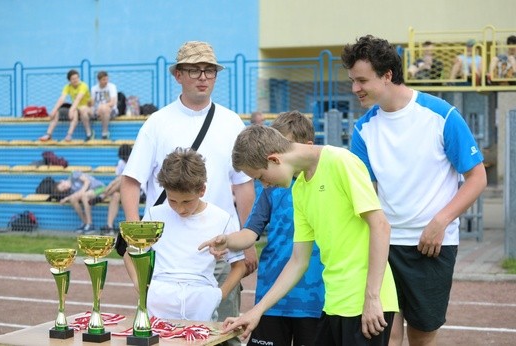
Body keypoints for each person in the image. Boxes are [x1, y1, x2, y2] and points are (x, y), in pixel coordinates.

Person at [340, 35, 487, 346]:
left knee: (421, 337)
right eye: (353, 80)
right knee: (386, 334)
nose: (355, 89)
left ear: (388, 75)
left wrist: (440, 221)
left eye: (362, 80)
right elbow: (362, 191)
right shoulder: (363, 129)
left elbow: (477, 178)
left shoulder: (441, 115)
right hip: (385, 246)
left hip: (432, 245)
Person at [119, 41, 257, 343]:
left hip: (219, 249)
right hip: (166, 253)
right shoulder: (157, 122)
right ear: (178, 75)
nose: (203, 77)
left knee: (225, 334)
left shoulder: (232, 122)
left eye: (209, 70)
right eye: (194, 70)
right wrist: (137, 239)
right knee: (162, 333)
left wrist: (247, 240)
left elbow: (244, 186)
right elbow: (131, 182)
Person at [218, 125, 398, 345]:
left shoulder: (341, 161)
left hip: (364, 303)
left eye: (261, 177)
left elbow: (380, 226)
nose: (264, 184)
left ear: (274, 159)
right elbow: (297, 261)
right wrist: (255, 312)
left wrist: (372, 297)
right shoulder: (299, 189)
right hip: (333, 304)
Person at [199, 110, 325, 346]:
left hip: (316, 298)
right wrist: (227, 241)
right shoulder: (269, 188)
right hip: (271, 297)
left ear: (306, 146)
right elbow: (250, 232)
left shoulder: (325, 183)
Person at [129, 147, 246, 321]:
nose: (180, 208)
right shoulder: (154, 215)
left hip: (201, 302)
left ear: (202, 190)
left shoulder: (221, 219)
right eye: (172, 200)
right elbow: (130, 252)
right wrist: (140, 286)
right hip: (159, 301)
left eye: (187, 201)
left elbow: (239, 265)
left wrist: (218, 295)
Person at [39, 69, 94, 142]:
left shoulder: (83, 85)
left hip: (88, 109)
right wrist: (54, 110)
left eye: (77, 78)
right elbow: (62, 99)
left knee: (77, 110)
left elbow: (78, 99)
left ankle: (81, 134)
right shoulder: (67, 87)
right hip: (77, 108)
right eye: (73, 79)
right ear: (69, 80)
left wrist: (71, 110)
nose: (75, 80)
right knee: (57, 112)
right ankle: (48, 134)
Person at [100, 144, 132, 235]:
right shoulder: (121, 162)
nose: (125, 160)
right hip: (121, 189)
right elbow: (117, 179)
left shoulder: (135, 161)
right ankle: (109, 227)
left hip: (136, 191)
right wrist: (110, 185)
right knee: (115, 195)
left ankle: (103, 195)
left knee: (122, 179)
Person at [90, 71, 118, 139]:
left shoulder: (112, 87)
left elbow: (112, 103)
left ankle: (104, 133)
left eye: (107, 79)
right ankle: (89, 133)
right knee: (84, 110)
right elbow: (92, 103)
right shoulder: (94, 89)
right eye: (104, 80)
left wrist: (102, 107)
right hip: (97, 111)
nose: (106, 81)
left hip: (111, 110)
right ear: (99, 80)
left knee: (104, 109)